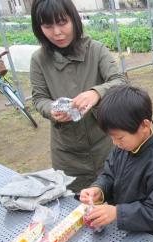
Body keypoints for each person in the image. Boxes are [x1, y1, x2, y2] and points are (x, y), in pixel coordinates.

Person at [30, 0, 127, 192]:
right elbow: (39, 98)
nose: (57, 32)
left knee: (115, 197)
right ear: (39, 27)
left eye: (62, 22)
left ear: (74, 19)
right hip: (67, 154)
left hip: (105, 145)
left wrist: (96, 93)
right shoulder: (39, 60)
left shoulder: (96, 50)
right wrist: (52, 109)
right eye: (48, 26)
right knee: (77, 207)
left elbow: (120, 81)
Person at [79, 85, 153, 242]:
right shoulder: (123, 148)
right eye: (112, 137)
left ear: (145, 126)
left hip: (151, 240)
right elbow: (109, 174)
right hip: (126, 231)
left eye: (119, 137)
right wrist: (99, 189)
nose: (115, 143)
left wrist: (118, 213)